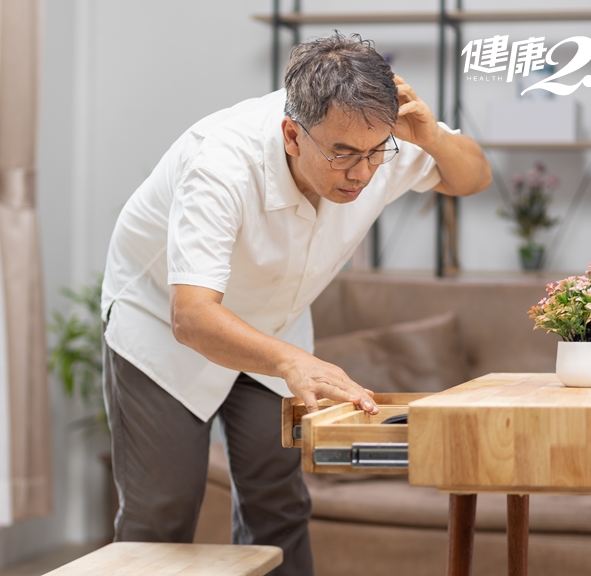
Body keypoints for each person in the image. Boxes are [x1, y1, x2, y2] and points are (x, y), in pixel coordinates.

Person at [100, 32, 490, 575]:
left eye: (376, 153)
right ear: (291, 134)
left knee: (279, 504)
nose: (361, 172)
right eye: (344, 155)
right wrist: (292, 362)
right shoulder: (220, 163)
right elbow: (191, 315)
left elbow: (473, 177)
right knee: (162, 514)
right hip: (166, 328)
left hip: (275, 322)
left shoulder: (375, 138)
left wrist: (431, 137)